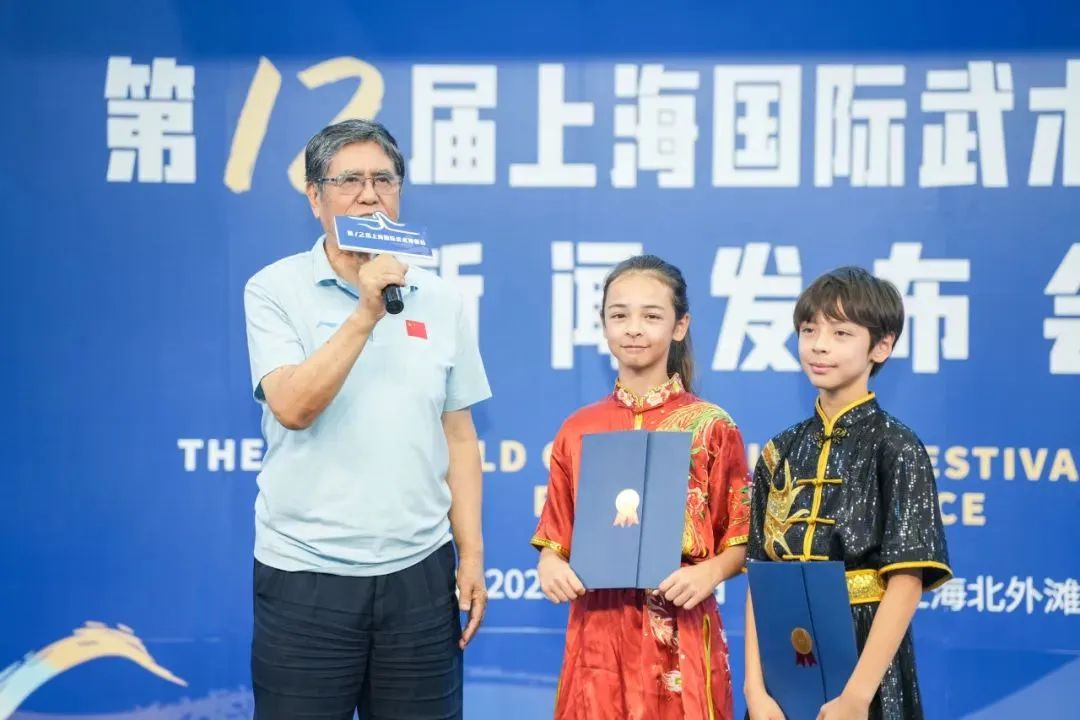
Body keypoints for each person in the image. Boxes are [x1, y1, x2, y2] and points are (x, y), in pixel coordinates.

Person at [243, 119, 491, 719]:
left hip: (420, 576)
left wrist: (472, 555)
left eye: (384, 180)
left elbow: (459, 436)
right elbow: (293, 407)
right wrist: (365, 312)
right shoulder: (274, 290)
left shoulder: (440, 298)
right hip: (306, 575)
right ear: (315, 197)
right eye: (349, 180)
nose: (369, 195)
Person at [532, 255, 751, 719]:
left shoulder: (712, 426)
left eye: (651, 316)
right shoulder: (578, 428)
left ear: (679, 325)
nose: (633, 328)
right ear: (604, 324)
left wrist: (708, 574)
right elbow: (556, 537)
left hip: (681, 626)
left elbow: (741, 539)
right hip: (598, 632)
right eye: (619, 315)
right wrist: (550, 565)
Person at [743, 266, 952, 720]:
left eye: (841, 333)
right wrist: (754, 690)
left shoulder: (897, 447)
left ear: (881, 346)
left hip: (866, 658)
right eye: (809, 330)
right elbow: (761, 576)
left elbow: (907, 581)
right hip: (783, 658)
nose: (819, 345)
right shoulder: (780, 450)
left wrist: (857, 696)